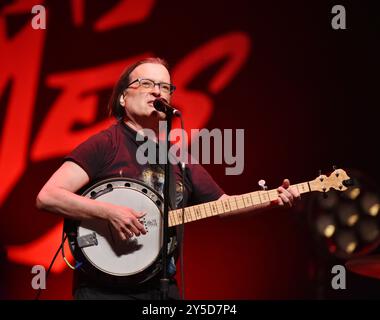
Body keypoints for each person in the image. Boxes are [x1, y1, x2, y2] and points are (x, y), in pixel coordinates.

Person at [36, 57, 300, 300]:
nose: (157, 91)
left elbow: (224, 204)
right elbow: (48, 196)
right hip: (102, 292)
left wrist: (272, 199)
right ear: (122, 99)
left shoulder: (178, 158)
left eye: (164, 86)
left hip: (160, 289)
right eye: (146, 83)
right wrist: (109, 212)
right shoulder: (105, 144)